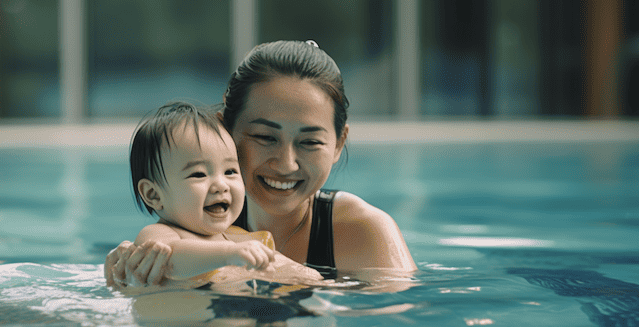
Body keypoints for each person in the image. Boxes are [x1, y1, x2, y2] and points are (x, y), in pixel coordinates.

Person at [106, 40, 417, 288]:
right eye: (265, 137)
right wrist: (129, 270)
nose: (286, 163)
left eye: (309, 142)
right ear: (225, 130)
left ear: (338, 144)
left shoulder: (365, 232)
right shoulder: (201, 217)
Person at [125, 101, 320, 285]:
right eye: (199, 174)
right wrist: (229, 253)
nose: (221, 185)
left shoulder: (239, 239)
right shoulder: (160, 236)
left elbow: (288, 271)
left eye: (230, 171)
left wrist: (316, 281)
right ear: (153, 195)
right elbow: (171, 261)